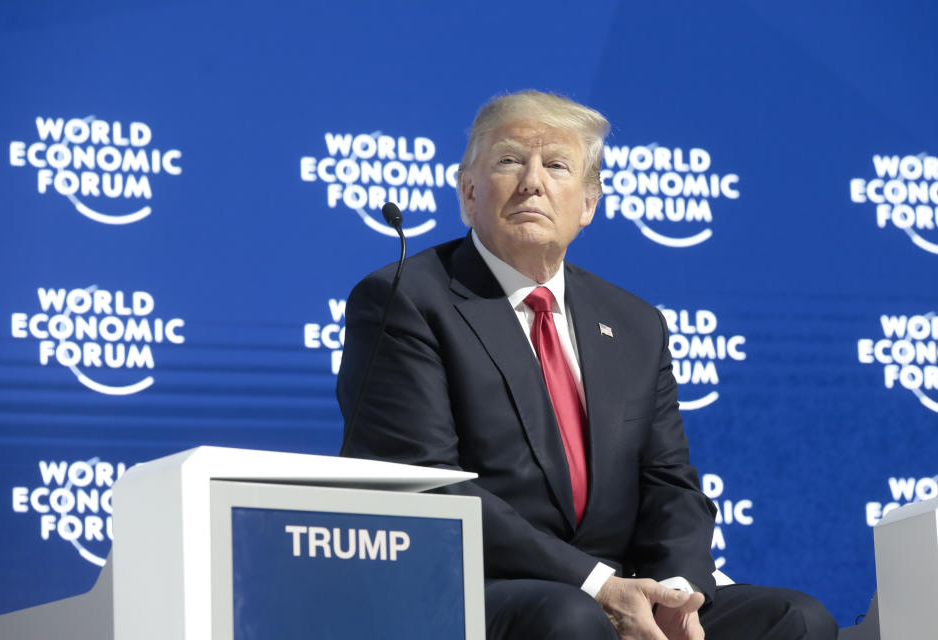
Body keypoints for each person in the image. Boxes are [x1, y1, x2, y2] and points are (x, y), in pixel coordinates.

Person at [337, 90, 836, 639]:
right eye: (509, 160)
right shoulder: (405, 299)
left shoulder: (635, 323)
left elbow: (670, 483)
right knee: (571, 618)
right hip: (480, 584)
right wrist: (598, 585)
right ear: (468, 191)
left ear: (588, 204)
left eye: (556, 165)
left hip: (623, 585)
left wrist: (672, 592)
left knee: (797, 620)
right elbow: (426, 484)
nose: (533, 181)